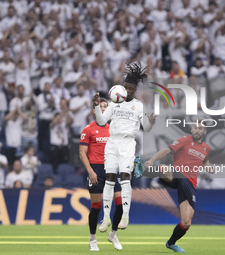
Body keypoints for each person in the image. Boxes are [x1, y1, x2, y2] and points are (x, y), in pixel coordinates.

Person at [92, 63, 156, 230]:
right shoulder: (114, 103)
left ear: (135, 90)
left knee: (125, 178)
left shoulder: (139, 106)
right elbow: (101, 121)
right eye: (125, 87)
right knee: (110, 179)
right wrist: (97, 107)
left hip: (128, 143)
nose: (127, 91)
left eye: (131, 89)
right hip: (112, 142)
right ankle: (105, 218)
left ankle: (125, 217)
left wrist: (151, 123)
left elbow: (147, 128)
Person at [144, 120, 215, 252]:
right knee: (165, 169)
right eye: (195, 128)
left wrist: (210, 169)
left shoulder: (206, 148)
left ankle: (171, 243)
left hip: (190, 184)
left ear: (204, 131)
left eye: (201, 128)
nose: (198, 130)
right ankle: (142, 171)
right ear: (192, 130)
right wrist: (151, 160)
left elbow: (205, 163)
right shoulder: (184, 140)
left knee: (186, 223)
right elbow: (166, 151)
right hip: (178, 174)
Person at [80, 97, 123, 251]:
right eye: (101, 107)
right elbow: (82, 153)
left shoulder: (113, 129)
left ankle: (113, 234)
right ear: (95, 110)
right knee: (96, 207)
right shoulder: (88, 129)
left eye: (106, 106)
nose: (104, 109)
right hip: (96, 169)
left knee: (121, 205)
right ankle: (92, 239)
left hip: (111, 169)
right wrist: (90, 171)